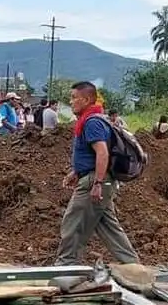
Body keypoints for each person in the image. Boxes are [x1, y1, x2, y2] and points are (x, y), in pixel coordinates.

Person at [55, 81, 139, 266]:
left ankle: (65, 267)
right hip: (96, 178)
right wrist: (76, 171)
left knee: (73, 223)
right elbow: (92, 155)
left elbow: (102, 152)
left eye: (74, 97)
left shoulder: (92, 122)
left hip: (95, 181)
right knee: (108, 227)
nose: (71, 102)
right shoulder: (92, 120)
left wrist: (97, 183)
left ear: (86, 99)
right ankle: (133, 265)